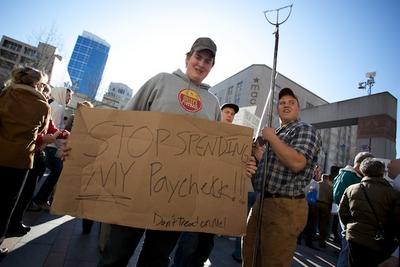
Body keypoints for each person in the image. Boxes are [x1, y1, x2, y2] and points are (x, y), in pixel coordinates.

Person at [91, 37, 257, 267]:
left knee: (156, 259)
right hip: (138, 186)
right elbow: (125, 122)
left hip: (179, 196)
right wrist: (89, 146)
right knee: (116, 254)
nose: (201, 64)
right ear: (188, 58)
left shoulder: (212, 103)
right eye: (198, 57)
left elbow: (217, 152)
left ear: (211, 66)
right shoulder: (161, 81)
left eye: (207, 61)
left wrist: (240, 167)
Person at [242, 87, 322, 267]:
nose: (286, 105)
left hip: (285, 206)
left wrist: (271, 137)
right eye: (282, 103)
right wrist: (258, 155)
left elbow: (297, 163)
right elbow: (274, 168)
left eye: (291, 102)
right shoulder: (278, 134)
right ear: (277, 108)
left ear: (298, 108)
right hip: (261, 202)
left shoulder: (305, 129)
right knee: (250, 256)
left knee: (274, 261)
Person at [172, 103, 241, 266]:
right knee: (189, 241)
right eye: (227, 112)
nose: (230, 115)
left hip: (217, 200)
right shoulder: (206, 132)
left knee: (206, 245)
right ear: (219, 113)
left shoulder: (237, 141)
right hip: (197, 196)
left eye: (232, 113)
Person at [0, 66, 50, 259]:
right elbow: (42, 132)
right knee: (7, 204)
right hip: (20, 160)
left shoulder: (4, 95)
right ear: (37, 84)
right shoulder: (42, 105)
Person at [339, 158, 400, 267]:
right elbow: (396, 220)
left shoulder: (351, 189)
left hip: (355, 237)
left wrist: (351, 226)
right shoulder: (393, 193)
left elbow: (343, 212)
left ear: (363, 171)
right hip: (379, 241)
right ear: (382, 172)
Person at [33, 86, 73, 210]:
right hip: (50, 146)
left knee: (39, 173)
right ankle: (40, 199)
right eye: (68, 96)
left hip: (50, 145)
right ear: (61, 94)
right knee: (56, 172)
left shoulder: (55, 105)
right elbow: (53, 130)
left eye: (71, 97)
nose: (69, 99)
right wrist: (62, 144)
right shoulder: (59, 108)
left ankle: (37, 199)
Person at [333, 151, 373, 267]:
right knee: (347, 248)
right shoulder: (347, 175)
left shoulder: (353, 175)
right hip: (349, 218)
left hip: (352, 218)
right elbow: (338, 196)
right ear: (361, 164)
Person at [316, 173, 333, 248]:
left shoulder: (317, 184)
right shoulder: (330, 187)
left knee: (313, 222)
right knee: (323, 224)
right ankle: (321, 241)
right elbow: (331, 197)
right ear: (328, 179)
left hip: (316, 204)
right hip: (325, 205)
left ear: (322, 178)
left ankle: (310, 237)